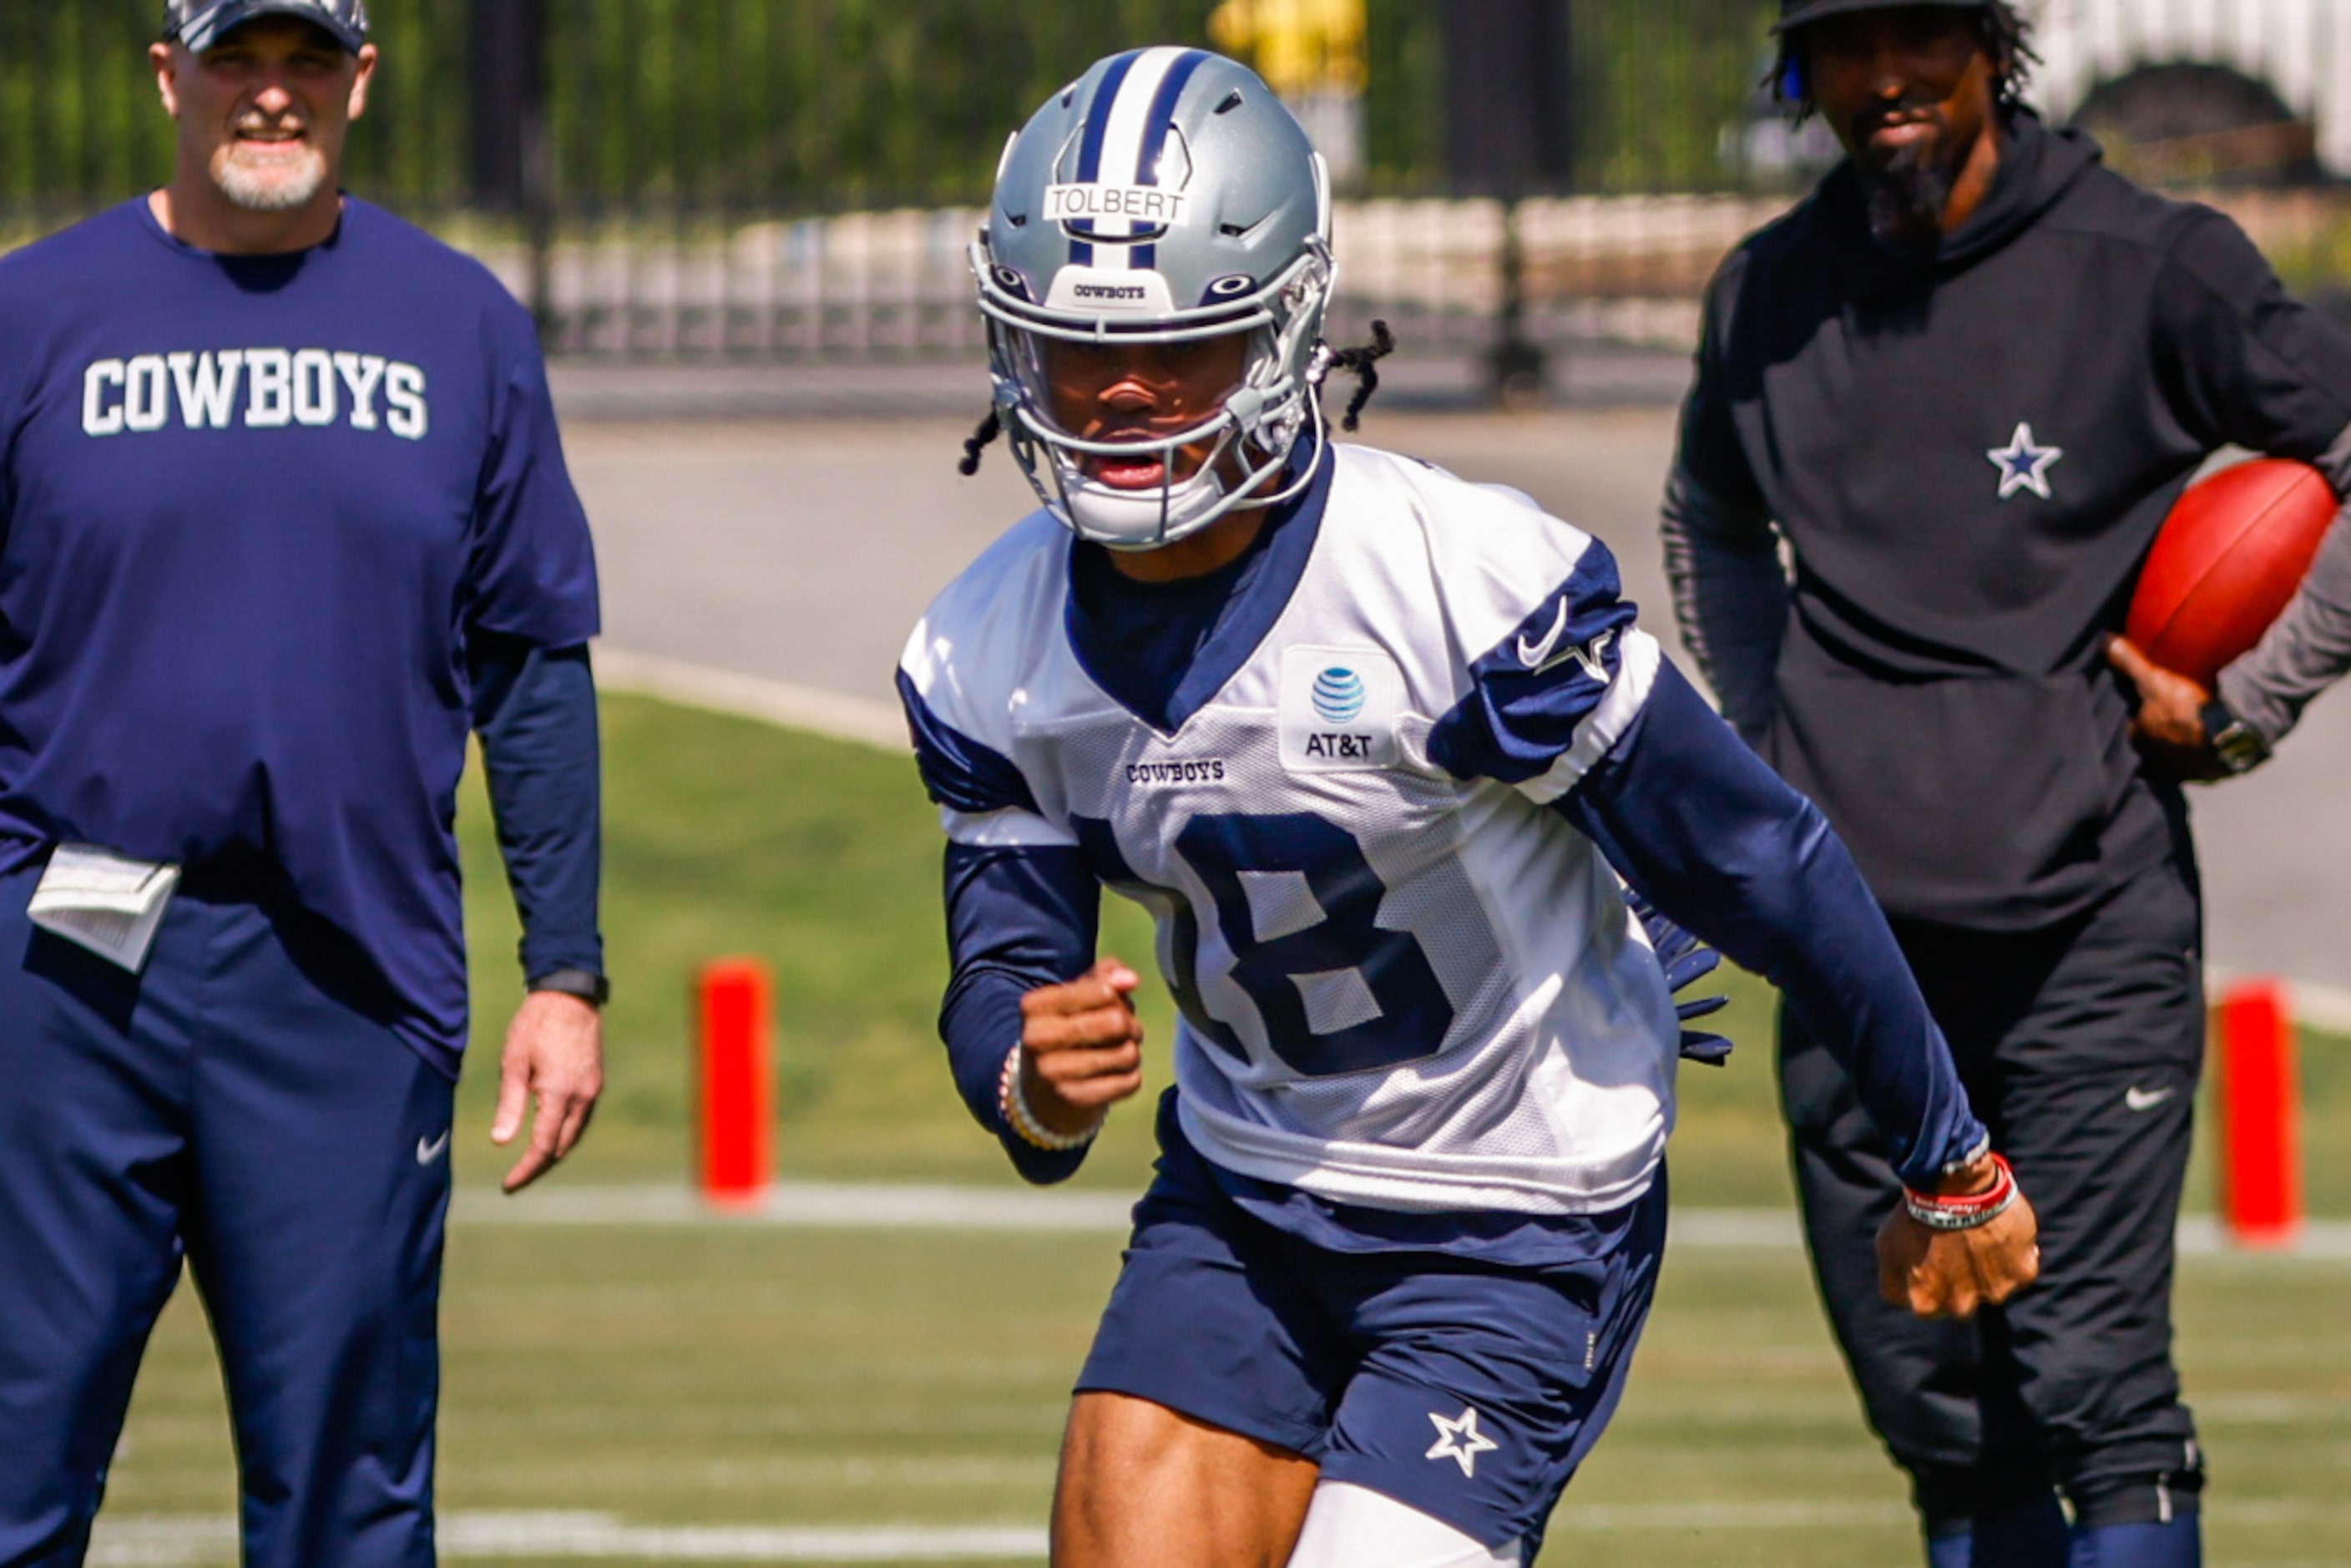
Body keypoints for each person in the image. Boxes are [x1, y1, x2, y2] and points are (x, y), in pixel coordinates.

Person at [902, 47, 2037, 1568]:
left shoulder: (1450, 584)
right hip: (1242, 1199)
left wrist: (1947, 1152)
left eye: (1182, 348)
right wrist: (1038, 1074)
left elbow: (1757, 857)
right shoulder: (990, 646)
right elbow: (1005, 998)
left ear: (1286, 326)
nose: (1120, 392)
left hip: (1511, 1214)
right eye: (1076, 347)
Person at [1662, 3, 2351, 1565]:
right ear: (1803, 69)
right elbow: (1708, 515)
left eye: (1921, 36)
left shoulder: (2149, 264)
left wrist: (2252, 702)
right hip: (1853, 956)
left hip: (2084, 930)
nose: (1885, 78)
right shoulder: (1766, 291)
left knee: (2097, 1397)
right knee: (1944, 1424)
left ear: (1994, 46)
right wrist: (1774, 742)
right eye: (1846, 45)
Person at [0, 3, 608, 1562]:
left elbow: (533, 662)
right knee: (12, 1462)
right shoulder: (34, 315)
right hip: (58, 973)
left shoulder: (458, 322)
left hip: (346, 979)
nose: (269, 95)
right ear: (166, 75)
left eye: (306, 59)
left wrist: (566, 973)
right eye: (233, 58)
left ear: (360, 76)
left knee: (349, 1497)